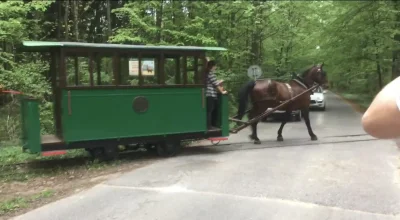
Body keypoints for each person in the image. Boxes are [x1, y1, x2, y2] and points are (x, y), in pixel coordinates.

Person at [206, 60, 227, 130]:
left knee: (210, 110)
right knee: (210, 110)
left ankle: (210, 125)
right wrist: (222, 92)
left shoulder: (206, 73)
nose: (215, 68)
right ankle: (209, 126)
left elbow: (213, 82)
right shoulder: (210, 73)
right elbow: (216, 85)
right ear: (213, 66)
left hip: (207, 94)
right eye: (215, 66)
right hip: (210, 94)